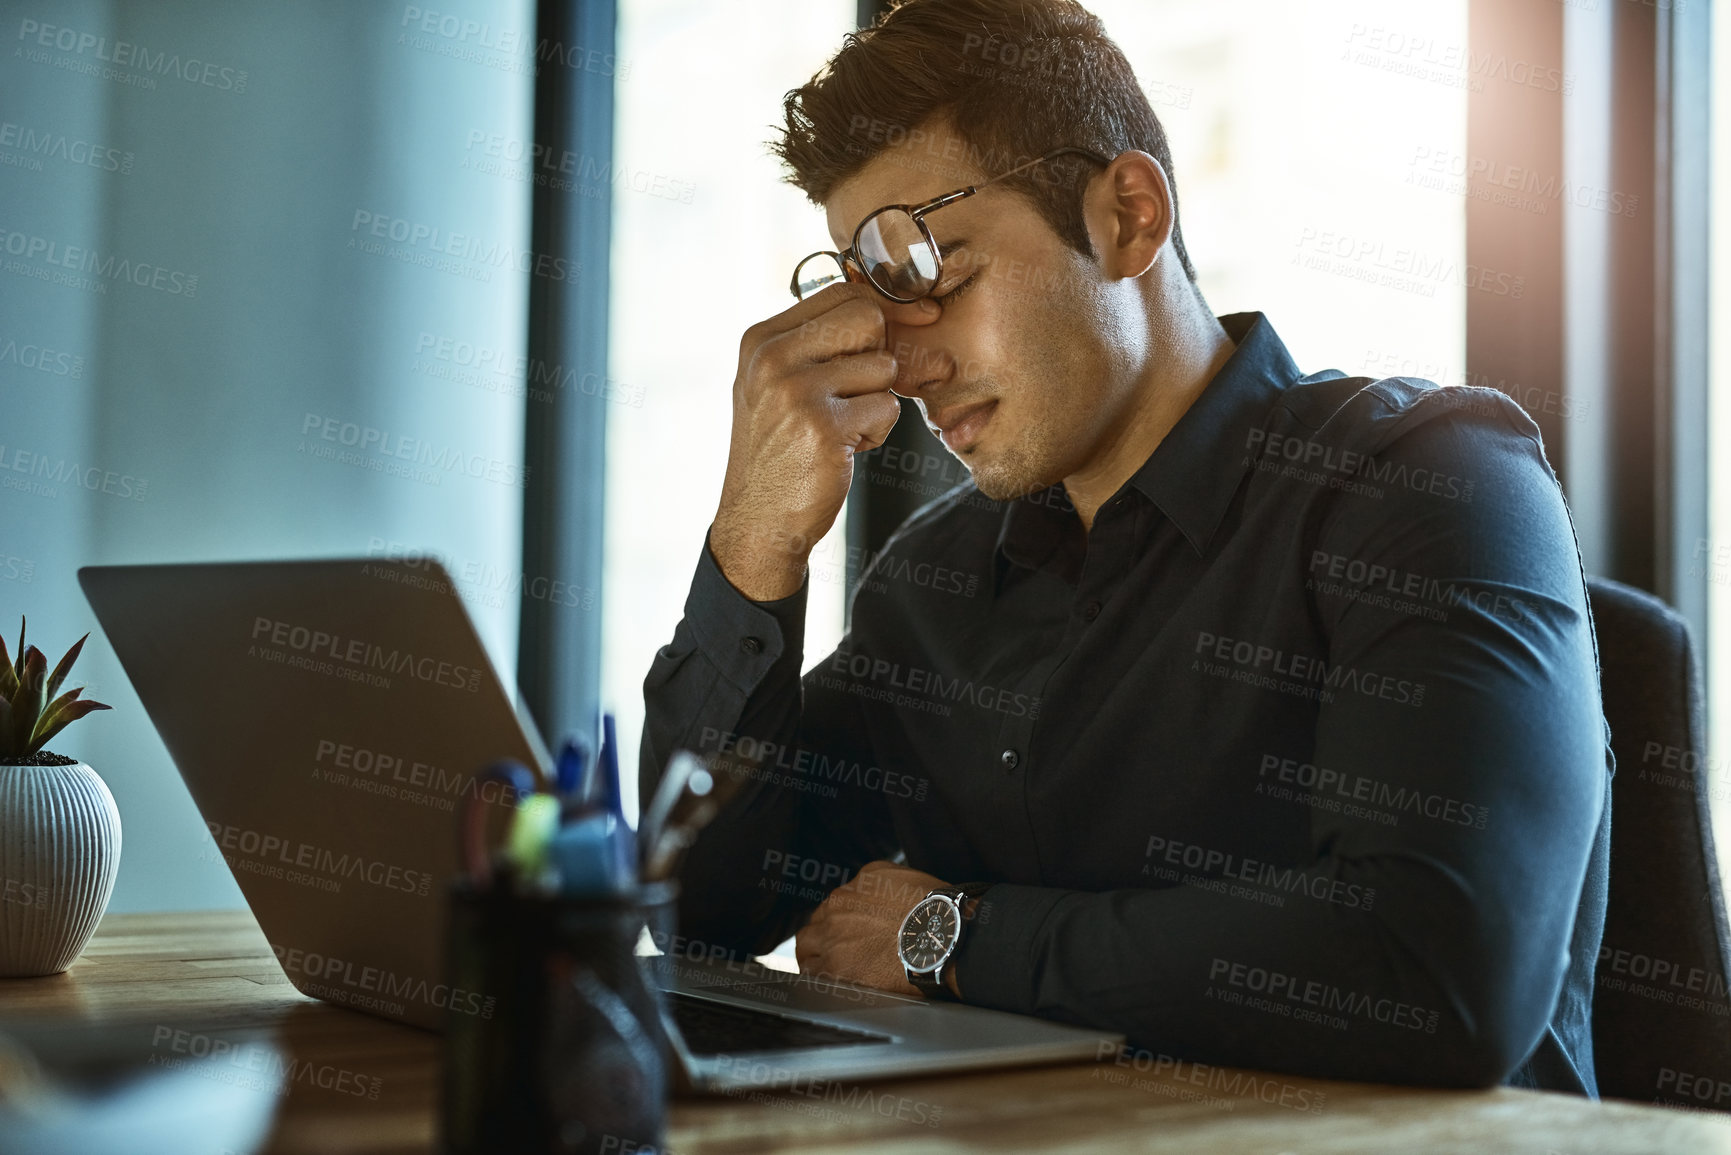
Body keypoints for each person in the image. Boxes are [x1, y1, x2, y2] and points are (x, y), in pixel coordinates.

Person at [639, 0, 1609, 1094]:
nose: (907, 368)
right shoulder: (936, 582)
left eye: (934, 272)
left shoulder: (1432, 485)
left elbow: (1438, 971)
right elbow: (701, 912)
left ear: (1131, 216)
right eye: (875, 300)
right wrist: (753, 549)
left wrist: (957, 941)